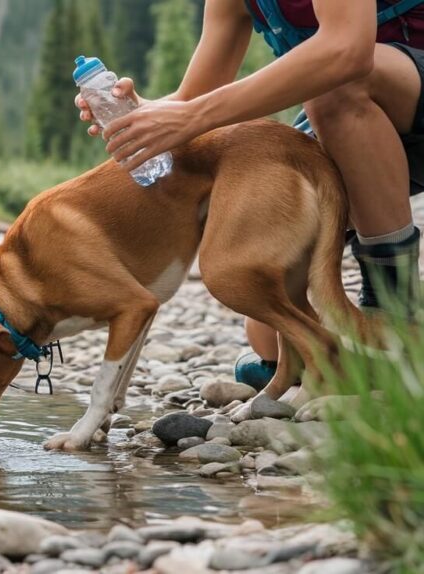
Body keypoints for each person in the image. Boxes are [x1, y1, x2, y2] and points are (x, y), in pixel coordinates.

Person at [76, 0, 423, 389]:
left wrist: (191, 117)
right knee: (272, 337)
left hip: (379, 90)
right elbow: (196, 97)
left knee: (336, 85)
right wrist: (140, 114)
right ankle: (357, 364)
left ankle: (395, 307)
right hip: (354, 122)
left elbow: (346, 50)